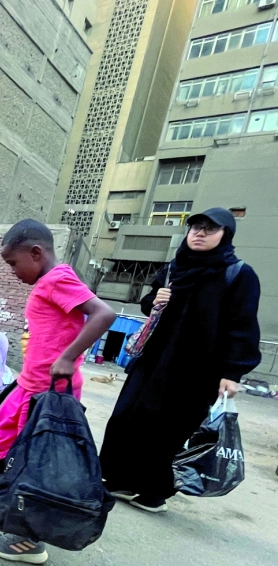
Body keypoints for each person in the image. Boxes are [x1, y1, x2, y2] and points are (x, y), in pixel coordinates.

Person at [0, 219, 114, 565]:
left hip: (49, 392)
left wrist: (69, 357)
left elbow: (104, 313)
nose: (12, 271)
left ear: (36, 253)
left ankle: (28, 539)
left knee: (32, 462)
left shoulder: (58, 279)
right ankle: (2, 510)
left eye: (13, 263)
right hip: (29, 384)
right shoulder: (48, 281)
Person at [100, 208, 261, 513]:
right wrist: (154, 300)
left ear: (225, 235)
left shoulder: (238, 274)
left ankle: (153, 492)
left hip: (197, 372)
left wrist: (233, 373)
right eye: (195, 227)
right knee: (127, 417)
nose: (199, 233)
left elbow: (242, 327)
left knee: (169, 430)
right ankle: (116, 478)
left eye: (209, 229)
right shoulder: (176, 268)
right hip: (153, 361)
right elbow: (149, 304)